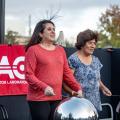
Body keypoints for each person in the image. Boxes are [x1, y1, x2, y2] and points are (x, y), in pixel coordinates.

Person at [25, 19, 82, 120]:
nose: (53, 31)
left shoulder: (60, 50)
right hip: (38, 99)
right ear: (41, 34)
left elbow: (67, 73)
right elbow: (29, 74)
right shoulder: (33, 50)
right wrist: (44, 87)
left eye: (54, 29)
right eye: (49, 29)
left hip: (56, 98)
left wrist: (77, 88)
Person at [63, 29, 112, 112]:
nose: (93, 46)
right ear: (82, 44)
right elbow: (65, 81)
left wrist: (103, 88)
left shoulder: (96, 60)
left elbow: (97, 80)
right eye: (90, 43)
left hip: (94, 104)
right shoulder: (73, 59)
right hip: (78, 105)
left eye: (94, 43)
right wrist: (72, 92)